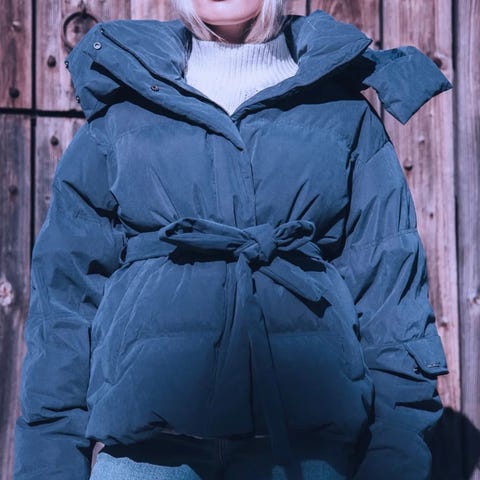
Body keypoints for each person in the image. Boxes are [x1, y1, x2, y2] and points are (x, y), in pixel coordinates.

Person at [13, 0, 453, 479]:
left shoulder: (343, 113)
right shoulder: (124, 108)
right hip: (148, 456)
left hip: (305, 453)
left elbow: (391, 297)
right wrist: (49, 463)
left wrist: (394, 456)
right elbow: (65, 302)